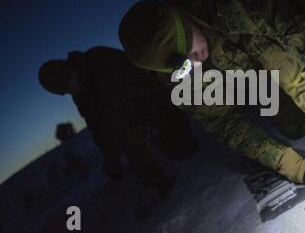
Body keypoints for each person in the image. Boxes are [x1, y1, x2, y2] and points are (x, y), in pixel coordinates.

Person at [118, 0, 305, 194]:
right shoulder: (175, 76)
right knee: (292, 125)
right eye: (182, 65)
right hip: (255, 81)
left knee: (297, 73)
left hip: (281, 47)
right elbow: (225, 124)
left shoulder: (227, 0)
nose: (193, 60)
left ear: (185, 21)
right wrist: (285, 163)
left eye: (187, 46)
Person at [39, 46, 197, 196]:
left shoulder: (98, 59)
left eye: (68, 86)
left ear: (70, 72)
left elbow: (115, 107)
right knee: (121, 134)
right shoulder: (79, 94)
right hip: (130, 115)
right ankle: (155, 181)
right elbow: (95, 126)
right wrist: (108, 157)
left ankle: (175, 145)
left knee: (184, 152)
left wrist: (111, 154)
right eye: (65, 92)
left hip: (154, 96)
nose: (70, 92)